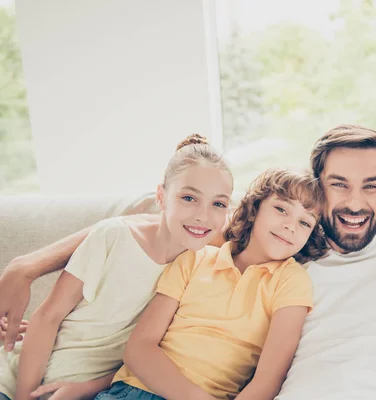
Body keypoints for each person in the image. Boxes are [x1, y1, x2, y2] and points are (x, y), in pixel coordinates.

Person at [0, 125, 376, 400]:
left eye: (371, 187)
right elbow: (144, 214)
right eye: (338, 185)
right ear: (317, 190)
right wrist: (27, 265)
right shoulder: (281, 250)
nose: (355, 203)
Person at [0, 134, 234, 400]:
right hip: (21, 380)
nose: (202, 215)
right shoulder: (113, 237)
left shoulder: (204, 268)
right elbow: (47, 318)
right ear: (161, 196)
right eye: (189, 198)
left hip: (96, 392)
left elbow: (150, 358)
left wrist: (86, 388)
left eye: (218, 204)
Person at [94, 168, 327, 400]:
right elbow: (138, 349)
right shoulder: (194, 258)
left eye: (305, 223)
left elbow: (269, 379)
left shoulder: (292, 281)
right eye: (280, 209)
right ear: (255, 209)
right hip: (133, 391)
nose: (291, 226)